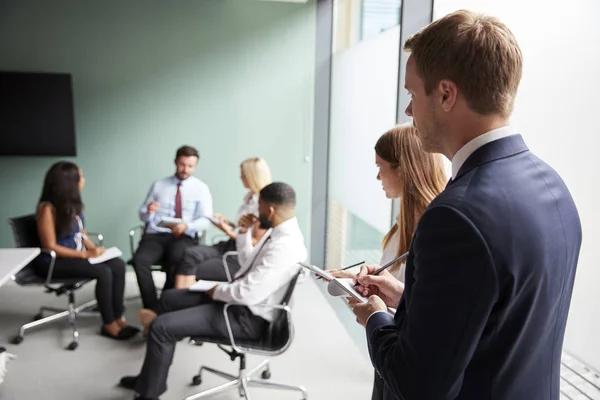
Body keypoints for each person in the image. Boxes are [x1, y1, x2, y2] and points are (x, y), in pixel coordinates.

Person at [350, 10, 582, 400]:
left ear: (445, 94)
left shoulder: (455, 216)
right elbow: (498, 321)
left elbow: (417, 384)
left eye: (412, 94)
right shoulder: (554, 188)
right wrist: (409, 301)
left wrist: (375, 317)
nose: (408, 112)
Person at [119, 182, 307, 400]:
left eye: (261, 207)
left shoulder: (285, 246)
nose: (258, 212)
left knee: (161, 327)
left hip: (245, 318)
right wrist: (244, 234)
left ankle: (148, 394)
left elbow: (247, 293)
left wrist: (216, 290)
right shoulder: (278, 234)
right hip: (240, 304)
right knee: (169, 298)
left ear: (270, 210)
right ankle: (148, 379)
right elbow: (247, 264)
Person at [328, 124, 446, 399]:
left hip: (406, 358)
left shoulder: (438, 231)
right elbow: (404, 287)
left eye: (381, 167)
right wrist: (362, 287)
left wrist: (376, 314)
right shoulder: (402, 226)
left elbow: (432, 314)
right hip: (388, 350)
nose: (378, 176)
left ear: (402, 169)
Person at [35, 162, 138, 340]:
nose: (84, 180)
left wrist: (93, 248)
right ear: (68, 182)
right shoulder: (47, 209)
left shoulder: (71, 205)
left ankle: (118, 316)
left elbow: (80, 232)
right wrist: (85, 254)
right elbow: (50, 246)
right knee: (104, 272)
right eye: (80, 177)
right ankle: (108, 324)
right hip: (53, 262)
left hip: (75, 257)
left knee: (118, 265)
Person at [132, 145, 213, 313]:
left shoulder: (201, 188)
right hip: (156, 235)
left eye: (190, 166)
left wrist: (187, 226)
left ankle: (166, 306)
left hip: (184, 236)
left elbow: (206, 220)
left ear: (195, 166)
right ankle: (152, 308)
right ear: (176, 162)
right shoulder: (159, 185)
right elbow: (143, 215)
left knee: (178, 258)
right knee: (140, 261)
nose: (185, 169)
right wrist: (148, 211)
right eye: (182, 165)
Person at [173, 157, 272, 288]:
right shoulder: (249, 197)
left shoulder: (262, 205)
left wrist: (227, 230)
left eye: (243, 174)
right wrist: (227, 223)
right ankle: (173, 300)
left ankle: (176, 301)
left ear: (252, 176)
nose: (240, 177)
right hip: (229, 245)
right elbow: (242, 227)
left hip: (238, 254)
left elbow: (254, 241)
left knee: (189, 263)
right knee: (189, 253)